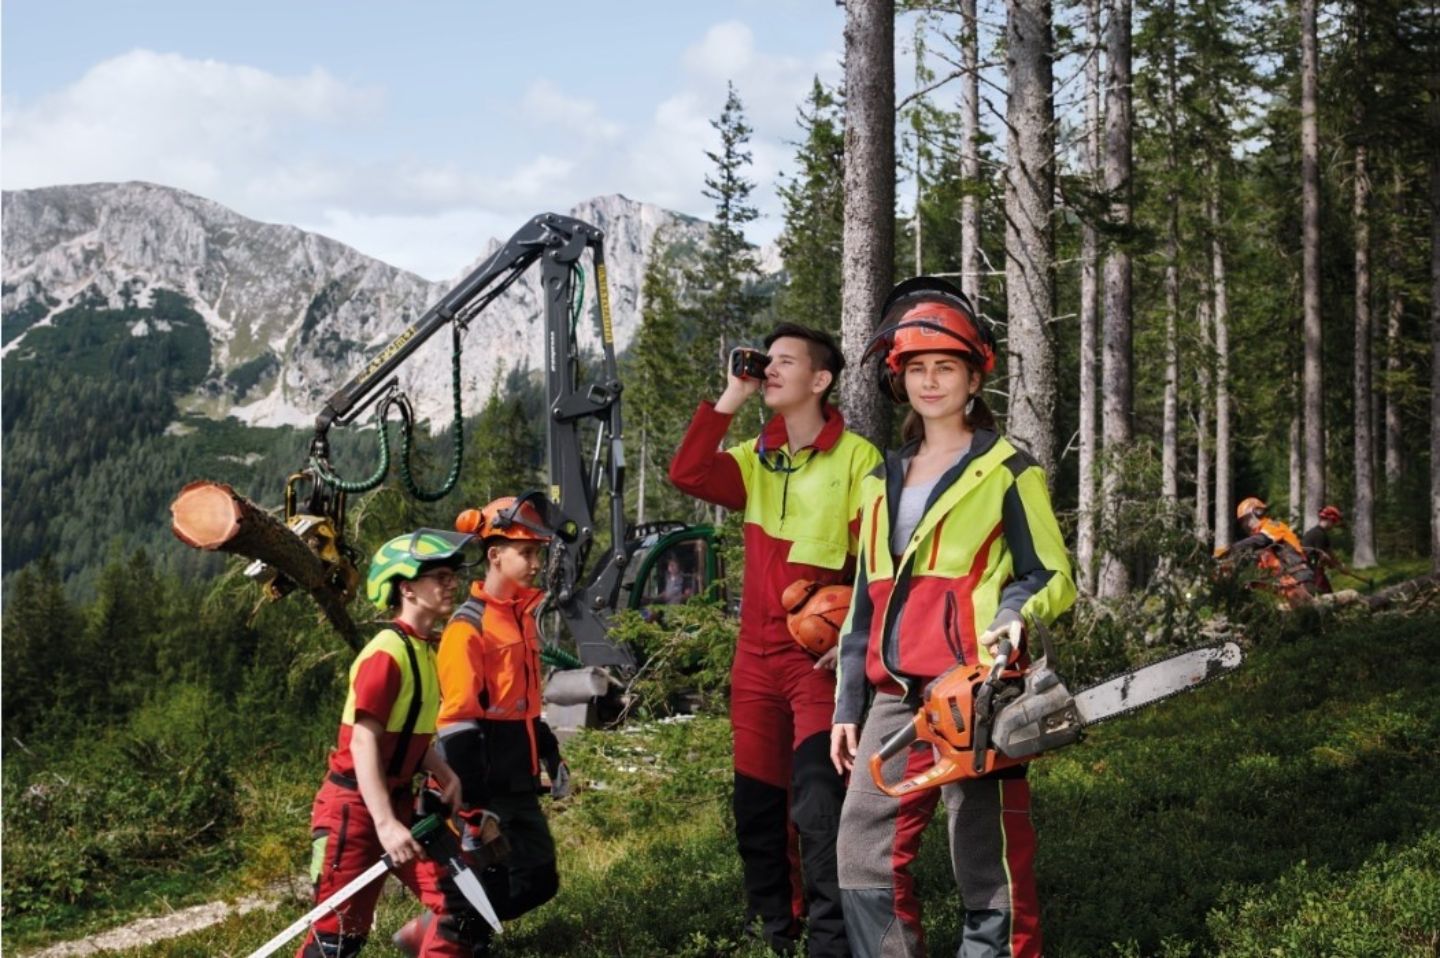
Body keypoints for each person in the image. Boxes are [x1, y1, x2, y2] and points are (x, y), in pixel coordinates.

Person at [830, 277, 1076, 958]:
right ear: (898, 380)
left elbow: (1049, 573)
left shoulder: (1005, 469)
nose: (930, 382)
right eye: (917, 369)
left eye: (946, 367)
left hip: (976, 690)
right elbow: (861, 602)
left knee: (983, 854)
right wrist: (847, 702)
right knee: (860, 848)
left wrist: (1014, 617)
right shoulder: (879, 478)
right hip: (892, 698)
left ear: (974, 379)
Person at [669, 322, 882, 956]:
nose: (771, 370)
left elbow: (876, 567)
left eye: (785, 362)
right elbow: (687, 472)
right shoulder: (755, 456)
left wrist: (852, 642)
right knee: (756, 810)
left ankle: (830, 940)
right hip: (754, 663)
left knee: (818, 809)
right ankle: (774, 931)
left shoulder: (857, 459)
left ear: (821, 380)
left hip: (816, 664)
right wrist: (732, 393)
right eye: (767, 362)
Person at [395, 494, 566, 957]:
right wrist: (474, 809)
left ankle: (437, 930)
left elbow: (518, 705)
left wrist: (548, 752)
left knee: (540, 878)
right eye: (526, 553)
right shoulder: (467, 629)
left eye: (538, 553)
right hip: (485, 788)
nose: (536, 563)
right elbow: (457, 725)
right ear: (495, 555)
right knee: (496, 877)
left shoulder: (522, 618)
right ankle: (444, 935)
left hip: (519, 777)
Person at [296, 529, 471, 958]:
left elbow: (408, 733)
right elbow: (364, 744)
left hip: (397, 805)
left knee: (460, 908)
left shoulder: (426, 651)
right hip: (353, 812)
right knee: (339, 938)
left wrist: (442, 770)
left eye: (452, 576)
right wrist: (385, 824)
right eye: (440, 577)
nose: (451, 584)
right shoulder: (385, 654)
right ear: (407, 588)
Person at [1222, 497, 1315, 605]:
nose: (1245, 525)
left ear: (1257, 512)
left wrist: (1232, 549)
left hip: (1299, 577)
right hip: (1286, 583)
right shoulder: (1261, 547)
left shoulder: (1274, 526)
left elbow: (1261, 540)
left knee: (1307, 613)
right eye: (1243, 522)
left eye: (1246, 519)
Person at [1301, 505, 1348, 594]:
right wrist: (1337, 566)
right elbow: (1323, 556)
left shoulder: (1320, 533)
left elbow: (1329, 552)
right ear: (1330, 520)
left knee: (1325, 593)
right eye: (1334, 523)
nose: (1334, 526)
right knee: (1326, 595)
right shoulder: (1319, 534)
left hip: (1313, 569)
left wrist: (1339, 565)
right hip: (1312, 570)